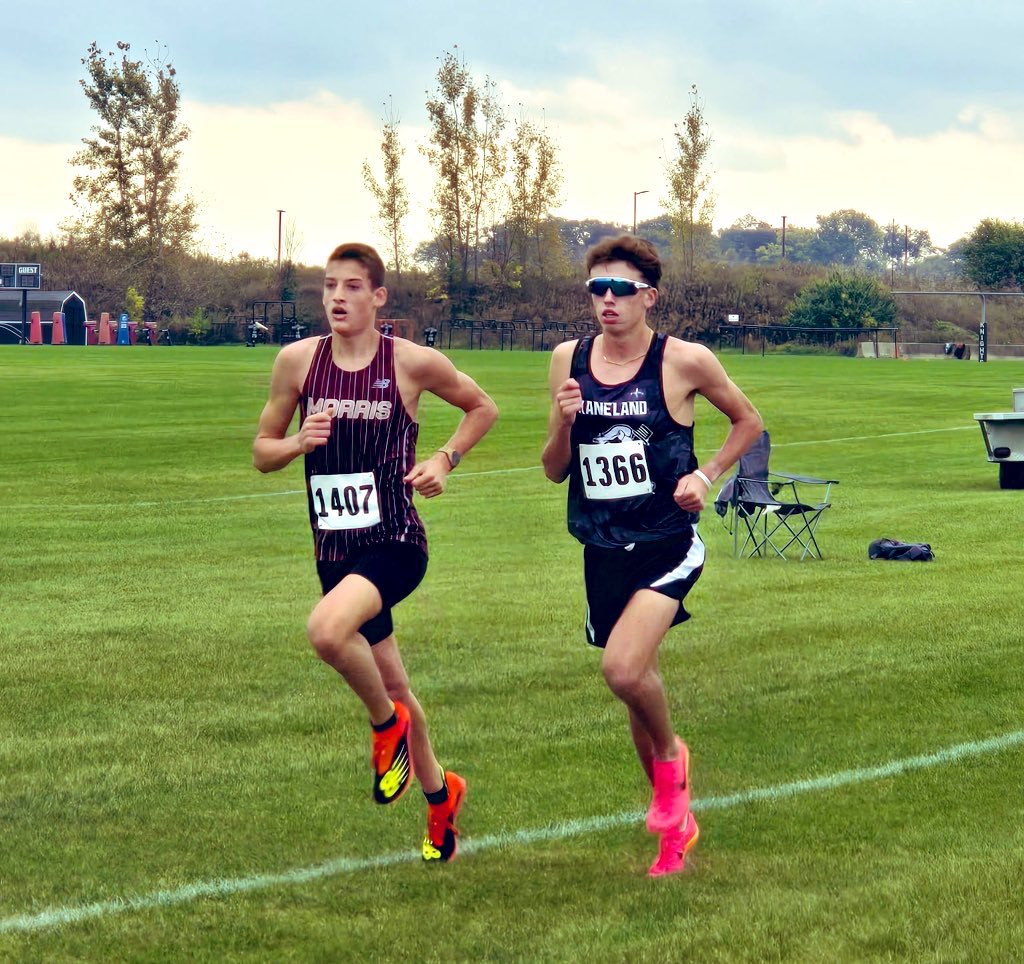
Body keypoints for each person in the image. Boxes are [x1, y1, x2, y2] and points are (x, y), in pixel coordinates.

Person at [253, 242, 498, 862]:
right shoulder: (297, 363)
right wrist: (296, 443)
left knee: (327, 632)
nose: (337, 297)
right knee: (393, 680)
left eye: (353, 286)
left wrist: (445, 458)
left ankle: (385, 728)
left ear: (378, 296)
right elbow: (261, 451)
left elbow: (482, 406)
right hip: (334, 549)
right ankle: (442, 795)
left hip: (394, 540)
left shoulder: (411, 363)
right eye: (330, 285)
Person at [541, 235, 762, 877]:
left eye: (621, 289)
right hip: (602, 545)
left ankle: (672, 763)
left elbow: (749, 420)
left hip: (668, 540)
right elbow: (555, 470)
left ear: (649, 296)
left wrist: (709, 474)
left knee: (622, 669)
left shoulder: (683, 360)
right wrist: (562, 421)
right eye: (597, 289)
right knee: (636, 686)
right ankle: (677, 826)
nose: (606, 301)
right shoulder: (568, 359)